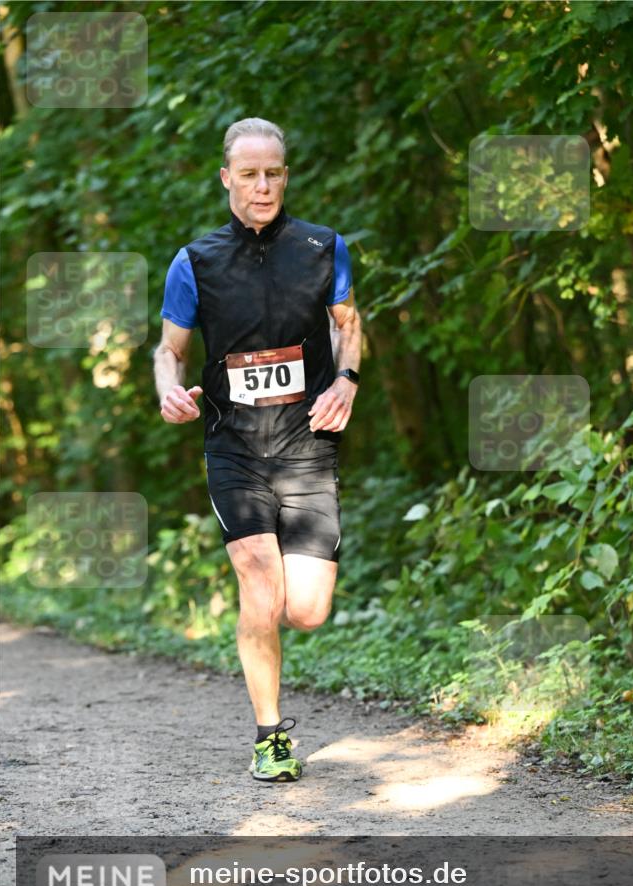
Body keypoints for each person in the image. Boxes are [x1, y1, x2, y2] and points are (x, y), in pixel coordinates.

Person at [154, 117, 362, 782]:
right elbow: (169, 350)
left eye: (273, 172)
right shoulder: (196, 261)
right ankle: (270, 735)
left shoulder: (323, 247)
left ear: (286, 175)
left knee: (305, 609)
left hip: (306, 445)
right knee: (259, 586)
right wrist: (168, 390)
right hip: (234, 446)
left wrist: (348, 382)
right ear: (226, 179)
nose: (262, 185)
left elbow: (349, 329)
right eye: (248, 174)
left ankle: (274, 704)